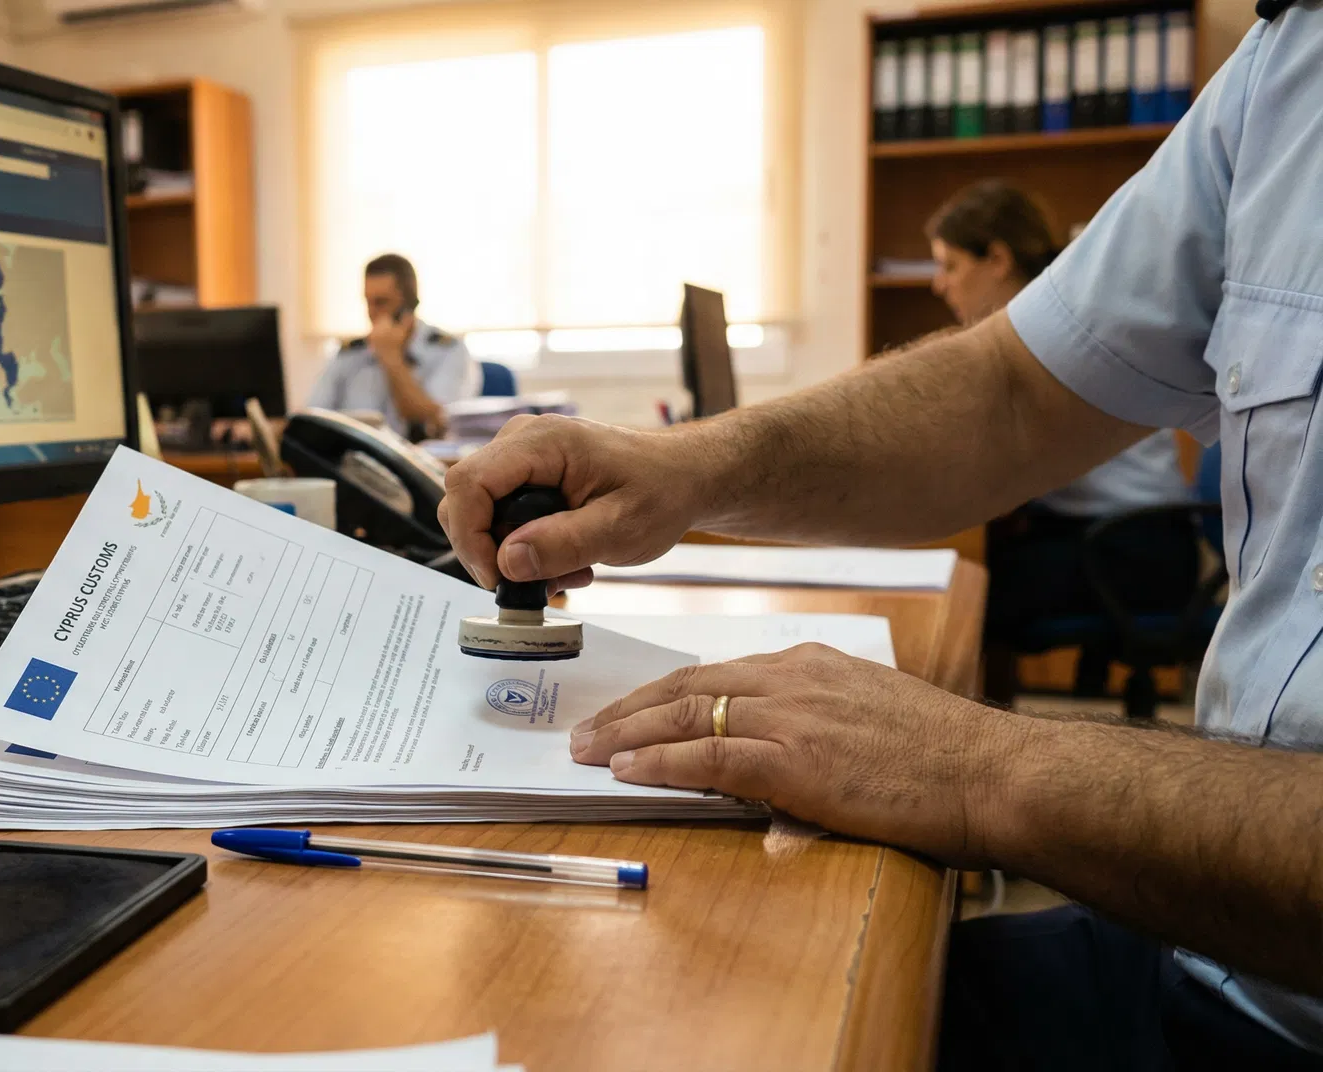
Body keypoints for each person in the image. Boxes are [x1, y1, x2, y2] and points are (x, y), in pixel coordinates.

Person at [438, 7, 1323, 1068]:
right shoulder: (1284, 67)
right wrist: (687, 469)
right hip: (1201, 949)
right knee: (707, 1007)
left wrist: (978, 768)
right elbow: (1009, 389)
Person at [926, 180, 1200, 700]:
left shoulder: (1049, 329)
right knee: (972, 570)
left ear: (998, 259)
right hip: (1129, 539)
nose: (939, 284)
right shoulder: (1049, 312)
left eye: (950, 265)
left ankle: (962, 745)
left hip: (1133, 551)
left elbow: (991, 455)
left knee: (963, 592)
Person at [305, 253, 477, 440]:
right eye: (367, 302)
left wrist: (391, 357)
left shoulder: (449, 350)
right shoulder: (350, 353)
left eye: (381, 302)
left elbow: (435, 421)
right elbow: (313, 417)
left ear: (408, 305)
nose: (371, 313)